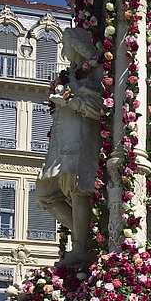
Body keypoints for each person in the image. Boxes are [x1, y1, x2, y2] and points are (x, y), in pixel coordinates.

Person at [36, 27, 103, 267]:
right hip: (60, 147)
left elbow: (99, 109)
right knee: (45, 195)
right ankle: (87, 238)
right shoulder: (69, 77)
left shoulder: (92, 76)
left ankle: (81, 246)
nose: (63, 49)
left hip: (81, 142)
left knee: (78, 192)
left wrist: (70, 101)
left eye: (65, 44)